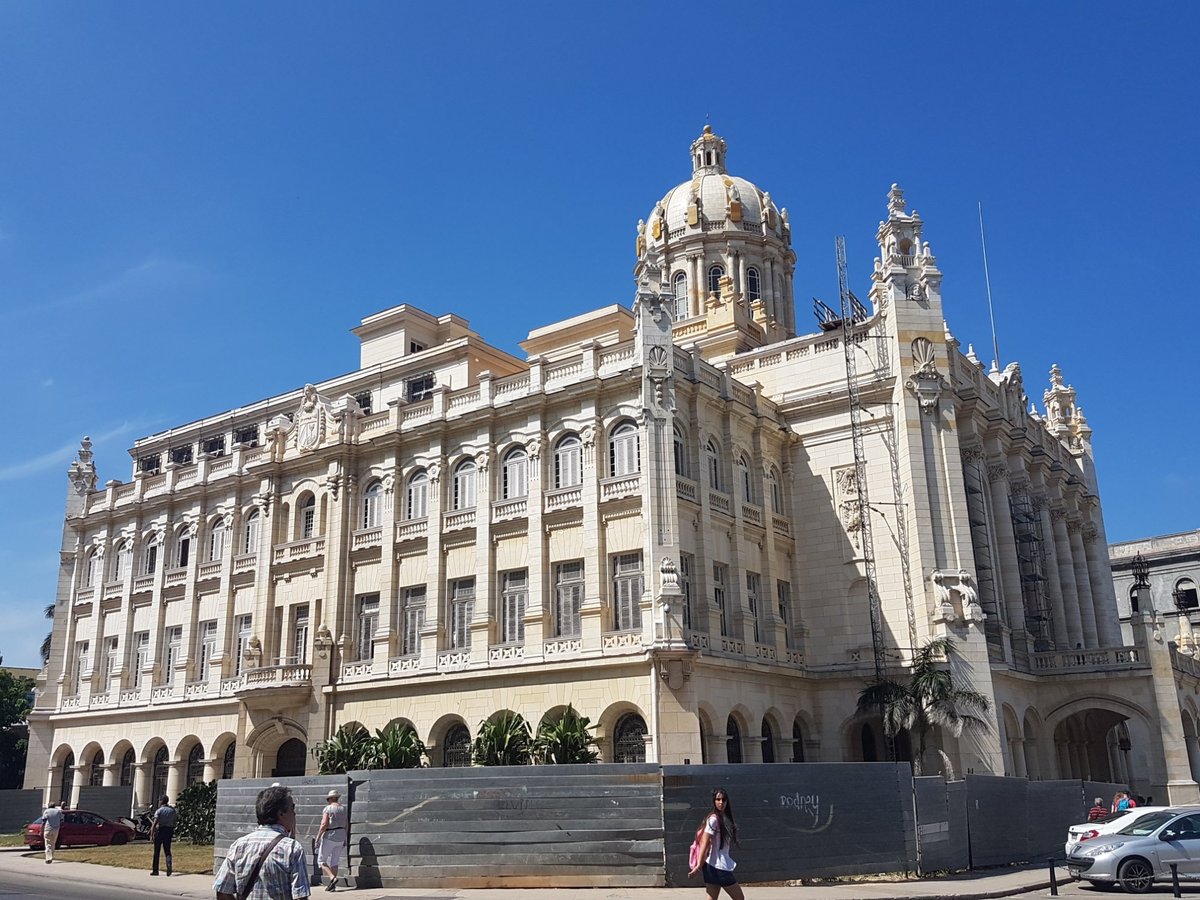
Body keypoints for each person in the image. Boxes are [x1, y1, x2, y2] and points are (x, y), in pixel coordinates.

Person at [214, 785, 311, 900]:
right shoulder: (292, 848)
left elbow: (222, 891)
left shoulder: (239, 845)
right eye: (292, 808)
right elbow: (300, 897)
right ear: (281, 814)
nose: (294, 814)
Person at [687, 788, 744, 900]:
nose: (721, 802)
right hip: (719, 868)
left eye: (723, 800)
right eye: (718, 799)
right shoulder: (713, 819)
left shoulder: (724, 818)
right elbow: (704, 842)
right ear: (714, 801)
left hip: (711, 868)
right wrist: (698, 866)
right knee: (739, 898)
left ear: (727, 801)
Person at [314, 789, 348, 892]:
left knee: (321, 860)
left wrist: (318, 836)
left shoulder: (327, 809)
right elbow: (347, 824)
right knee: (335, 861)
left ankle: (332, 878)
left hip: (330, 836)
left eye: (328, 799)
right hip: (341, 836)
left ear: (331, 799)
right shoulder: (343, 809)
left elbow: (324, 824)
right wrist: (345, 836)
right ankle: (332, 886)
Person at [150, 794, 176, 876]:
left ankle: (155, 870)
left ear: (161, 801)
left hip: (160, 831)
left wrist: (151, 834)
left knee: (157, 851)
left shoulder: (159, 811)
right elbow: (174, 822)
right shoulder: (172, 811)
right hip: (169, 831)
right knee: (167, 850)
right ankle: (169, 865)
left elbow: (154, 823)